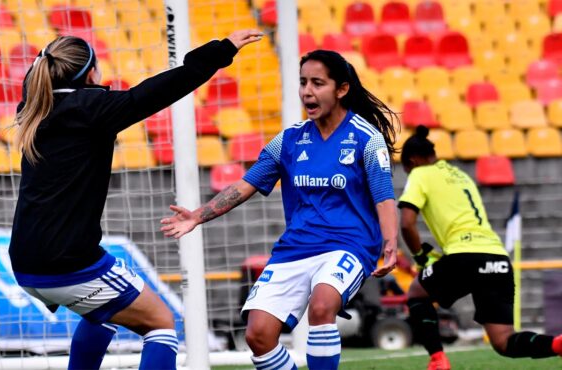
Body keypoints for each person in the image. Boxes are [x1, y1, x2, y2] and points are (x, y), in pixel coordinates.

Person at [8, 30, 263, 370]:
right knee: (160, 323)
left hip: (25, 263)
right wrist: (223, 49)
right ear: (91, 74)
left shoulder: (33, 107)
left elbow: (43, 75)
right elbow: (163, 89)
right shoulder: (94, 110)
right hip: (67, 262)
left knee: (106, 315)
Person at [161, 49, 400, 370]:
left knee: (321, 307)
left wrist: (390, 243)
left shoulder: (366, 138)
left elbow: (384, 196)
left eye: (318, 83)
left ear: (341, 89)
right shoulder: (288, 140)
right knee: (258, 335)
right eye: (303, 83)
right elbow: (244, 185)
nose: (307, 92)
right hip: (295, 249)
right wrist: (197, 216)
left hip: (349, 245)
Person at [398, 125, 562, 370]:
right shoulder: (462, 176)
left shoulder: (420, 174)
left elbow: (407, 223)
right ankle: (558, 345)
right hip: (496, 257)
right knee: (503, 341)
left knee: (416, 294)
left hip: (465, 255)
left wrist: (420, 257)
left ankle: (438, 361)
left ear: (412, 161)